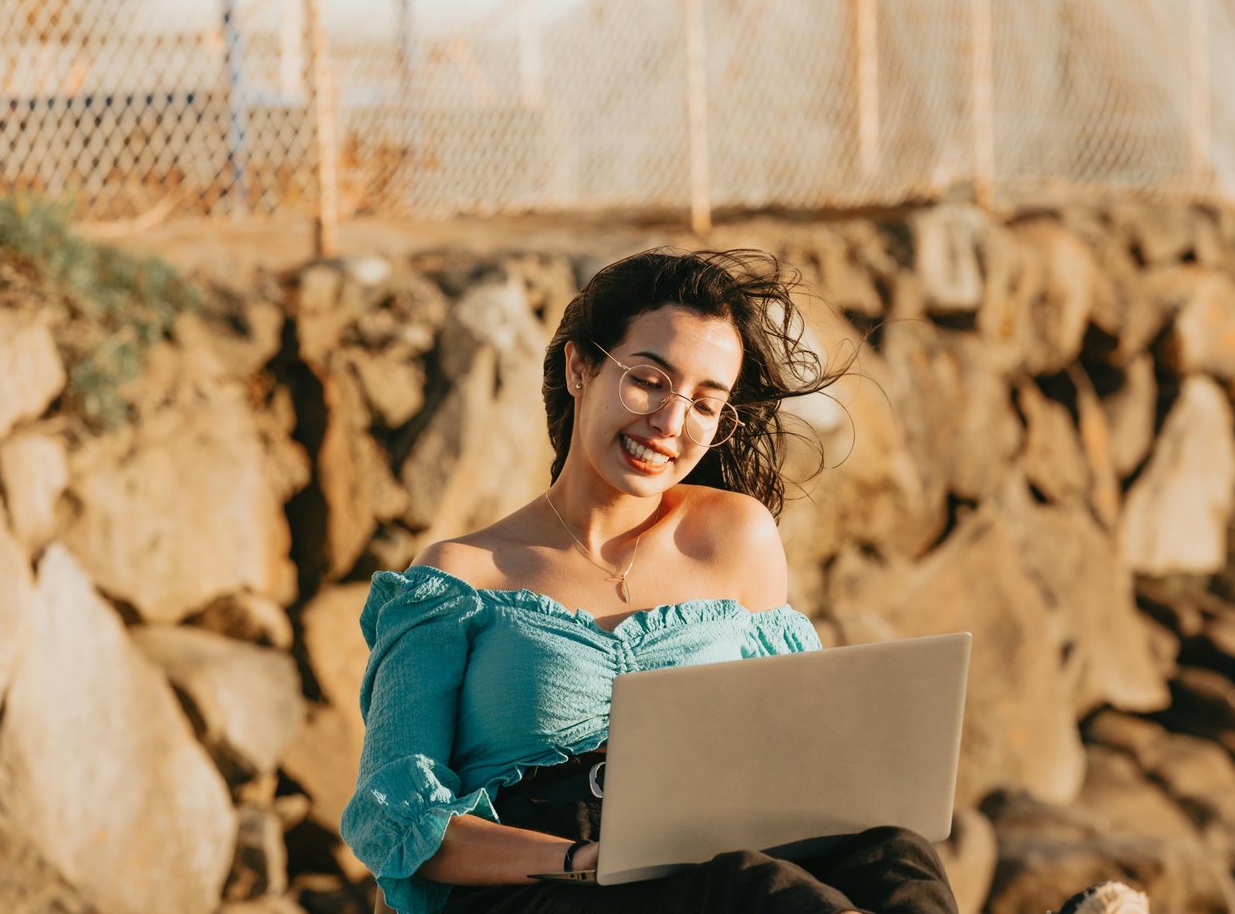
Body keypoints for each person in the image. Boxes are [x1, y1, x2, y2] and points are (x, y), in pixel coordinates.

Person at [340, 248, 961, 914]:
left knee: (895, 853)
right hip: (540, 885)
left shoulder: (736, 540)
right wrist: (584, 863)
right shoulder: (460, 576)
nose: (669, 424)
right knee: (748, 886)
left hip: (700, 854)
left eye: (705, 403)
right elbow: (394, 816)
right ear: (580, 367)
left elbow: (794, 757)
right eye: (647, 381)